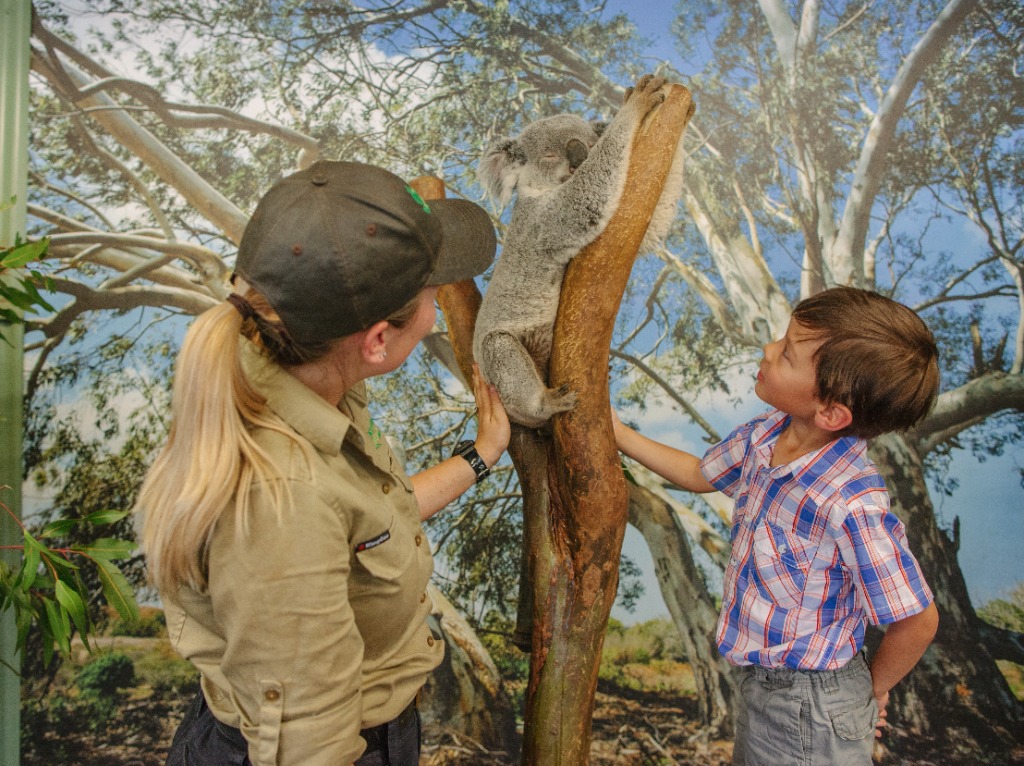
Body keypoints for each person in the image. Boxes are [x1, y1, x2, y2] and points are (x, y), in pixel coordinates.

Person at [135, 160, 510, 766]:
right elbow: (309, 743)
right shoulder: (280, 506)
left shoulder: (301, 375)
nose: (437, 310)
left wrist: (481, 455)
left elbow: (368, 524)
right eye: (431, 294)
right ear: (377, 341)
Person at [612, 286, 941, 766]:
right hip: (763, 685)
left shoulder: (849, 500)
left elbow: (917, 620)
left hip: (813, 703)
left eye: (786, 353)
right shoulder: (766, 433)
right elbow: (699, 474)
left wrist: (868, 692)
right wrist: (618, 433)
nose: (768, 350)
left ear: (831, 411)